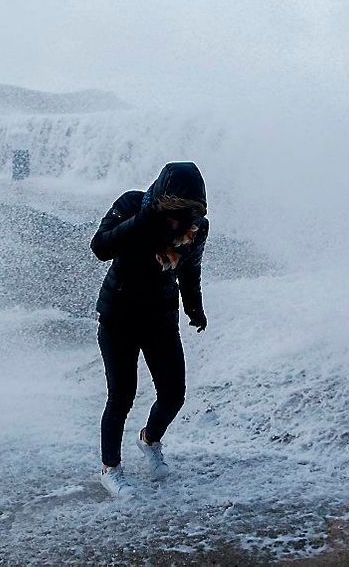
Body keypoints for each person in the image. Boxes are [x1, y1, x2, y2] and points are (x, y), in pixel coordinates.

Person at [90, 161, 209, 497]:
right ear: (159, 200)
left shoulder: (196, 227)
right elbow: (100, 247)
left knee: (174, 394)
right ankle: (110, 469)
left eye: (186, 213)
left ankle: (149, 440)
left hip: (160, 317)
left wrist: (194, 307)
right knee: (122, 395)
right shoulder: (130, 205)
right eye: (172, 211)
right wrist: (142, 222)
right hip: (119, 316)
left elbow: (189, 269)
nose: (178, 221)